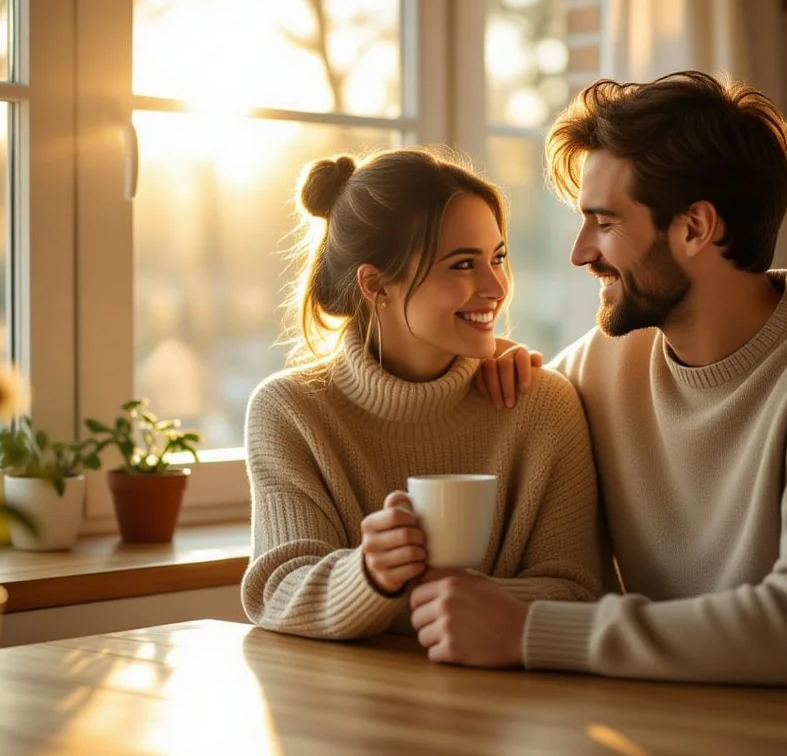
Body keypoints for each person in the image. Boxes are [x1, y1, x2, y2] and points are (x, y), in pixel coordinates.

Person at [408, 72, 787, 703]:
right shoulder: (601, 366)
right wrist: (494, 376)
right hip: (693, 730)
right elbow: (496, 445)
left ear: (696, 228)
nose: (580, 253)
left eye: (604, 223)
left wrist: (531, 631)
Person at [242, 148, 602, 642]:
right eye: (462, 264)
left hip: (505, 689)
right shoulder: (289, 411)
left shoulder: (542, 405)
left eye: (497, 258)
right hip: (345, 690)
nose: (496, 286)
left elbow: (577, 592)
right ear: (375, 285)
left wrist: (455, 604)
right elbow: (276, 591)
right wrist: (368, 575)